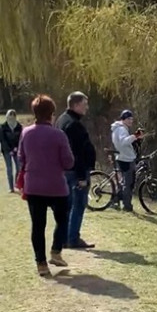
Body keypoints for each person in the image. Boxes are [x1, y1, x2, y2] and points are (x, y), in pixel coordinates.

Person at [17, 95, 75, 277]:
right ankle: (56, 251)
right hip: (56, 186)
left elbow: (21, 157)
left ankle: (41, 264)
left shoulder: (26, 133)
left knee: (38, 225)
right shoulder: (59, 135)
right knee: (63, 219)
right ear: (52, 114)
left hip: (33, 186)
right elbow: (68, 163)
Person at [56, 91, 96, 249]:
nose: (87, 108)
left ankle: (66, 236)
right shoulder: (73, 124)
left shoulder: (61, 120)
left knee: (68, 204)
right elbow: (77, 153)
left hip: (66, 170)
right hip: (75, 171)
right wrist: (81, 176)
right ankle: (72, 238)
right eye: (84, 104)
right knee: (78, 204)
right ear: (76, 105)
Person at [111, 110, 143, 213]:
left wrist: (135, 138)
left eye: (132, 119)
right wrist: (135, 136)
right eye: (128, 119)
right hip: (126, 159)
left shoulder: (119, 128)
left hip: (123, 157)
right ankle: (127, 206)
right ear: (123, 119)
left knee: (124, 182)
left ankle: (115, 200)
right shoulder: (121, 129)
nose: (131, 121)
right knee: (128, 184)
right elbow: (124, 142)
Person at [1, 109, 22, 192]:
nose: (11, 118)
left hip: (17, 149)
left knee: (18, 168)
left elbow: (21, 138)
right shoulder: (3, 127)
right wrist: (9, 150)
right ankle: (11, 187)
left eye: (13, 116)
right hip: (7, 151)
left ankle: (17, 184)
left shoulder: (19, 126)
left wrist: (16, 147)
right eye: (10, 116)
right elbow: (3, 140)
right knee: (9, 168)